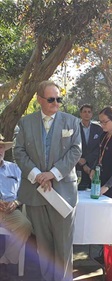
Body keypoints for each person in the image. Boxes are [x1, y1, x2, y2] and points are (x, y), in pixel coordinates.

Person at [14, 81, 82, 281]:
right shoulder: (26, 123)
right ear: (39, 100)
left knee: (63, 244)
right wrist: (36, 174)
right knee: (43, 246)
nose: (56, 104)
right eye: (51, 99)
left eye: (59, 99)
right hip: (36, 192)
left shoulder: (72, 122)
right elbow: (18, 151)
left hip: (63, 193)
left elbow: (76, 151)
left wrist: (52, 173)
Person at [0, 135, 32, 280]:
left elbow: (24, 190)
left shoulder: (14, 168)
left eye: (1, 147)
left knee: (25, 225)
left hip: (11, 209)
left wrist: (17, 202)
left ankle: (7, 259)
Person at [76, 104, 103, 190]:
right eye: (84, 112)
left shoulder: (98, 129)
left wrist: (87, 159)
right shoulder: (75, 128)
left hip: (92, 167)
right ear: (80, 114)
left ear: (92, 114)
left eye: (89, 112)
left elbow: (99, 148)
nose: (87, 114)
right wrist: (81, 160)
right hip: (77, 167)